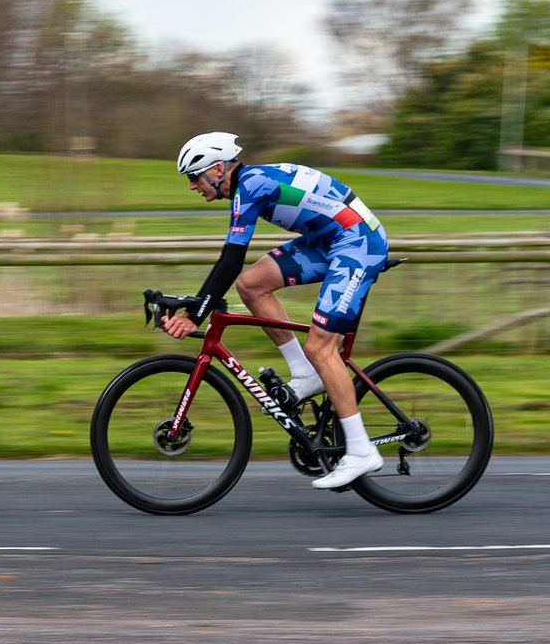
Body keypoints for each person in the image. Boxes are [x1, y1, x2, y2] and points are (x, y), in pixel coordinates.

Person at [163, 132, 389, 489]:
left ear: (218, 169)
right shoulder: (247, 184)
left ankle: (362, 451)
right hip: (328, 241)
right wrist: (198, 305)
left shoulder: (251, 185)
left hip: (358, 242)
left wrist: (195, 314)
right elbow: (233, 269)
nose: (192, 186)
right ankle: (306, 375)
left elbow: (230, 259)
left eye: (195, 176)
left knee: (321, 346)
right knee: (251, 285)